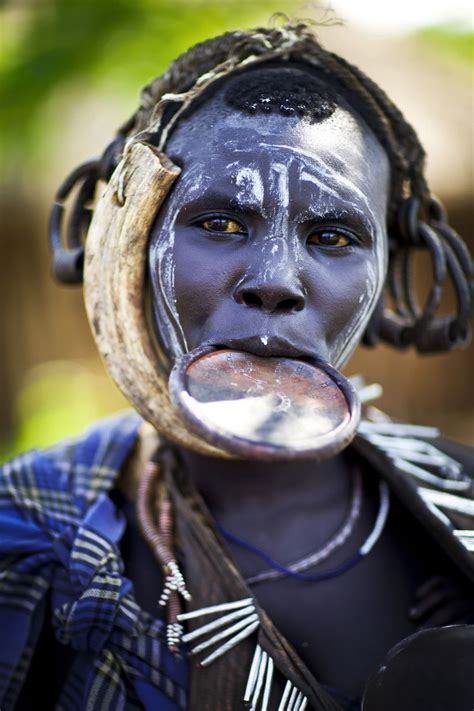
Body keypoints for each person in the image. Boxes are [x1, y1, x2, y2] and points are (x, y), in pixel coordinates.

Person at [1, 22, 473, 711]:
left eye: (333, 236)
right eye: (220, 224)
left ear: (385, 276)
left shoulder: (463, 499)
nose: (276, 281)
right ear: (131, 241)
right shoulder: (28, 534)